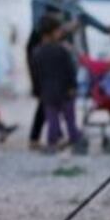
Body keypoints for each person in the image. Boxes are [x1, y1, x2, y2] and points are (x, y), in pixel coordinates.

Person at [26, 0, 110, 150]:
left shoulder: (70, 1)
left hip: (63, 51)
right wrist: (65, 27)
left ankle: (51, 136)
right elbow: (39, 25)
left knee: (57, 93)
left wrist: (105, 29)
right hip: (42, 51)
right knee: (47, 94)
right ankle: (44, 137)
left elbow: (85, 17)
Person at [30, 16, 85, 154]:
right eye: (58, 30)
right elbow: (70, 70)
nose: (61, 33)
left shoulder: (36, 52)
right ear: (52, 32)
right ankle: (76, 143)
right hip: (66, 91)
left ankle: (52, 145)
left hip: (47, 93)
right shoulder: (62, 50)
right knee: (70, 119)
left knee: (52, 121)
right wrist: (73, 86)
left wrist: (38, 90)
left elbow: (36, 75)